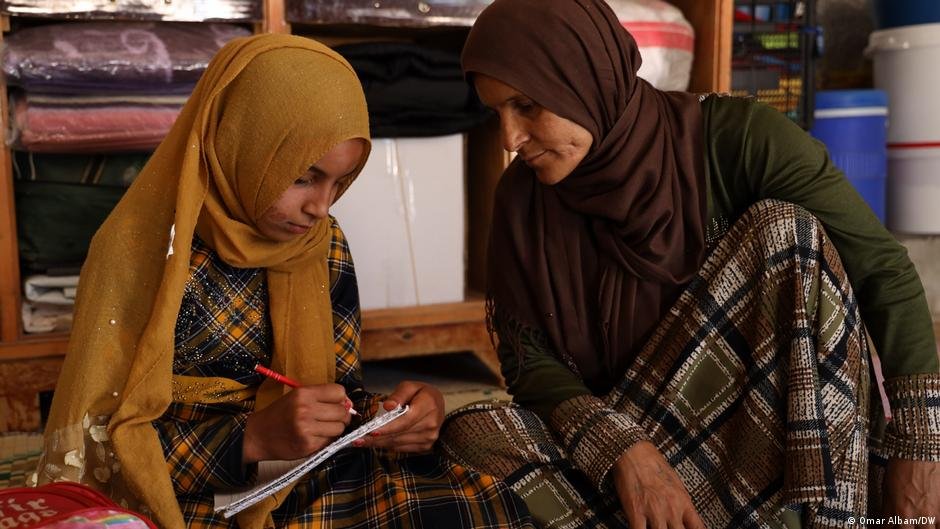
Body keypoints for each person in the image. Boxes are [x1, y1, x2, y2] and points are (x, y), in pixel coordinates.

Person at [438, 1, 940, 528]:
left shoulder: (736, 140)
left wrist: (921, 449)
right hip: (625, 440)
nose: (510, 139)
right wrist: (624, 450)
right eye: (496, 113)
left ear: (585, 80)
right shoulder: (522, 201)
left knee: (785, 233)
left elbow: (882, 270)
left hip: (759, 438)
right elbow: (529, 362)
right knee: (469, 434)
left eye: (527, 106)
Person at [35, 34, 533, 529]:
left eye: (339, 183)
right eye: (302, 177)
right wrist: (249, 439)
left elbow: (335, 393)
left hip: (298, 475)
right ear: (238, 142)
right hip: (186, 491)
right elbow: (91, 455)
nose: (320, 206)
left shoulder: (321, 244)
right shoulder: (141, 251)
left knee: (477, 505)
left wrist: (390, 417)